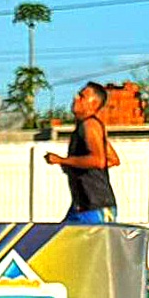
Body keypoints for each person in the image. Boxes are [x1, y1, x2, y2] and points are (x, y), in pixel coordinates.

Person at [55, 82, 120, 226]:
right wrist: (77, 167)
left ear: (94, 104)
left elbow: (98, 161)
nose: (75, 98)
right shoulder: (85, 126)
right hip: (81, 206)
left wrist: (62, 161)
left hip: (95, 207)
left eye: (82, 96)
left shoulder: (90, 125)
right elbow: (112, 160)